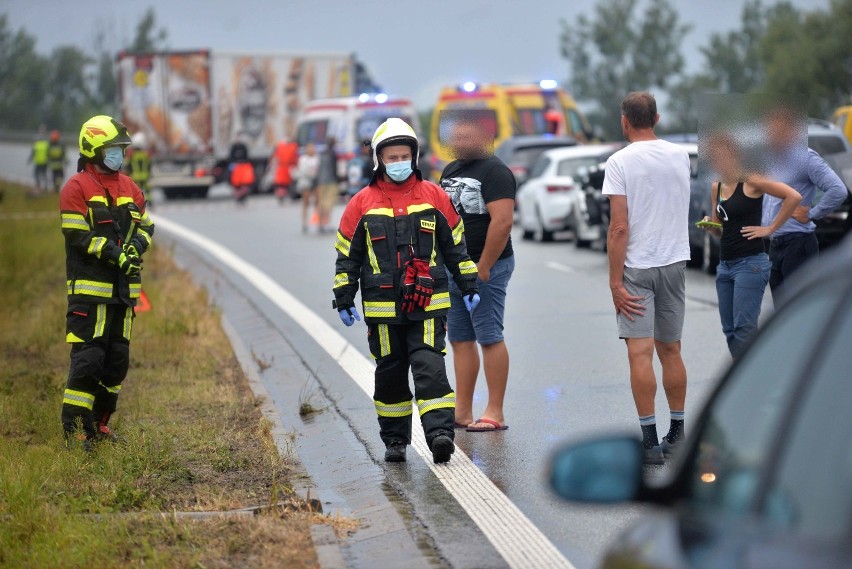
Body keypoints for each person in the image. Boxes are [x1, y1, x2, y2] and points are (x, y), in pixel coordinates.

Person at [332, 118, 480, 464]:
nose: (398, 162)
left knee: (430, 366)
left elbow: (456, 246)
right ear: (379, 160)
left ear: (414, 157)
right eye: (391, 157)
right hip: (382, 309)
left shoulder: (434, 196)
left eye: (404, 155)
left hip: (428, 302)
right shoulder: (361, 204)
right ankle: (395, 441)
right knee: (390, 374)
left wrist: (469, 282)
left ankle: (440, 434)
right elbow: (347, 258)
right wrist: (343, 296)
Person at [603, 92, 691, 464]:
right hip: (675, 261)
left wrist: (614, 281)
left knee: (640, 353)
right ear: (656, 118)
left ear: (625, 121)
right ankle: (678, 431)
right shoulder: (680, 155)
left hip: (638, 266)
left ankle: (650, 441)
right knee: (670, 350)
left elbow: (619, 226)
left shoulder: (619, 161)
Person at [59, 115, 155, 450]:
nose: (120, 155)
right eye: (114, 149)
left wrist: (136, 246)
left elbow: (147, 226)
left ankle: (99, 425)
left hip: (123, 295)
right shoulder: (76, 187)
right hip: (89, 294)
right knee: (88, 362)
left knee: (116, 364)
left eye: (121, 149)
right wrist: (115, 253)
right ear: (94, 149)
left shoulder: (129, 187)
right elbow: (78, 236)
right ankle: (74, 433)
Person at [440, 119, 516, 432]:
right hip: (453, 269)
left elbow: (502, 223)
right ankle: (462, 411)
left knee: (489, 336)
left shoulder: (495, 171)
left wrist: (483, 266)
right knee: (459, 339)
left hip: (487, 268)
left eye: (466, 135)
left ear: (484, 137)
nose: (459, 141)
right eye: (455, 136)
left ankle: (495, 411)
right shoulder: (450, 171)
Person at [701, 133, 802, 358]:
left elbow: (793, 196)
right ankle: (748, 381)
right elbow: (720, 229)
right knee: (730, 331)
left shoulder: (751, 180)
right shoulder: (716, 186)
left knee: (744, 330)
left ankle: (756, 384)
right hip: (725, 266)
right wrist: (710, 227)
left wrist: (770, 228)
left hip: (750, 264)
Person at [762, 105, 848, 298]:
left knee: (797, 309)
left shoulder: (806, 158)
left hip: (798, 244)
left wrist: (812, 213)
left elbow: (838, 190)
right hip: (775, 245)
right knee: (782, 314)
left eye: (776, 130)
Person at [316, 136, 340, 232]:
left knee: (321, 203)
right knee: (329, 203)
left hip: (321, 181)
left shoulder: (322, 153)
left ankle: (320, 223)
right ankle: (327, 223)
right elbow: (334, 169)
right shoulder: (333, 153)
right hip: (331, 180)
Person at [296, 142, 320, 232]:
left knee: (317, 203)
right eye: (309, 148)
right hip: (306, 183)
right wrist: (312, 174)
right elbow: (303, 170)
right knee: (306, 203)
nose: (311, 150)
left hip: (315, 182)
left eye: (313, 148)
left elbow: (319, 169)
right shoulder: (303, 159)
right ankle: (304, 223)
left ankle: (316, 221)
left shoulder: (317, 158)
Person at [271, 138, 299, 204]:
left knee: (283, 183)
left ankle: (283, 195)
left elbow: (276, 157)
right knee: (286, 183)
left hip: (284, 167)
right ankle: (285, 195)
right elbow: (295, 157)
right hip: (287, 167)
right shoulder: (293, 146)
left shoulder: (280, 146)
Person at [127, 133, 152, 204]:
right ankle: (149, 202)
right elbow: (149, 164)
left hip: (135, 176)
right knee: (147, 190)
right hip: (145, 175)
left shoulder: (132, 155)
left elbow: (128, 165)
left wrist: (129, 173)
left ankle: (138, 203)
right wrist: (149, 173)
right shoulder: (145, 155)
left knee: (137, 191)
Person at [229, 138, 255, 204]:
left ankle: (242, 197)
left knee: (243, 185)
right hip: (237, 172)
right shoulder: (234, 147)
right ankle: (239, 197)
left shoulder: (243, 147)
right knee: (237, 185)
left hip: (242, 170)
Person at [29, 125, 49, 191]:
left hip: (43, 161)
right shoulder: (45, 140)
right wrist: (30, 158)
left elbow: (49, 151)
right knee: (40, 174)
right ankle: (40, 185)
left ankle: (43, 186)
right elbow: (34, 151)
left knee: (41, 174)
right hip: (40, 161)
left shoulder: (44, 140)